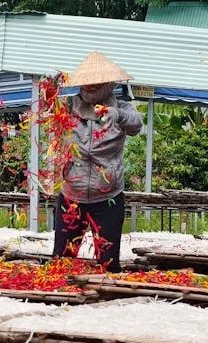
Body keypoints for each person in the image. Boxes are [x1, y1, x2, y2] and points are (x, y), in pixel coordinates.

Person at [53, 52, 142, 273]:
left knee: (108, 264)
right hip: (72, 195)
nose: (92, 88)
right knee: (61, 261)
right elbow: (46, 110)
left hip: (108, 197)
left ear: (109, 84)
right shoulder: (67, 107)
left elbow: (137, 124)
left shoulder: (121, 109)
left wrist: (118, 115)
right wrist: (50, 88)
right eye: (88, 84)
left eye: (98, 83)